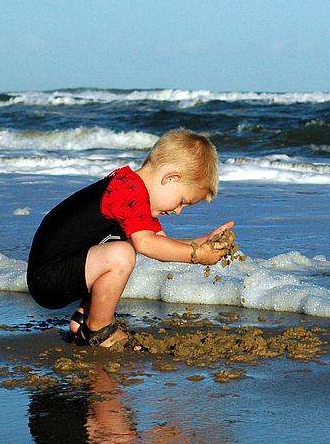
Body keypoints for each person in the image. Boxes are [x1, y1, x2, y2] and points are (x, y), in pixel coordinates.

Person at [27, 129, 234, 348]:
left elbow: (162, 242)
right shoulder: (129, 190)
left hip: (64, 270)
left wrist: (204, 242)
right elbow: (148, 245)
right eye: (182, 201)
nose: (178, 211)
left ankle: (83, 318)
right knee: (122, 253)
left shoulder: (132, 191)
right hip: (48, 277)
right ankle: (99, 328)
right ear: (171, 178)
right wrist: (197, 257)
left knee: (124, 247)